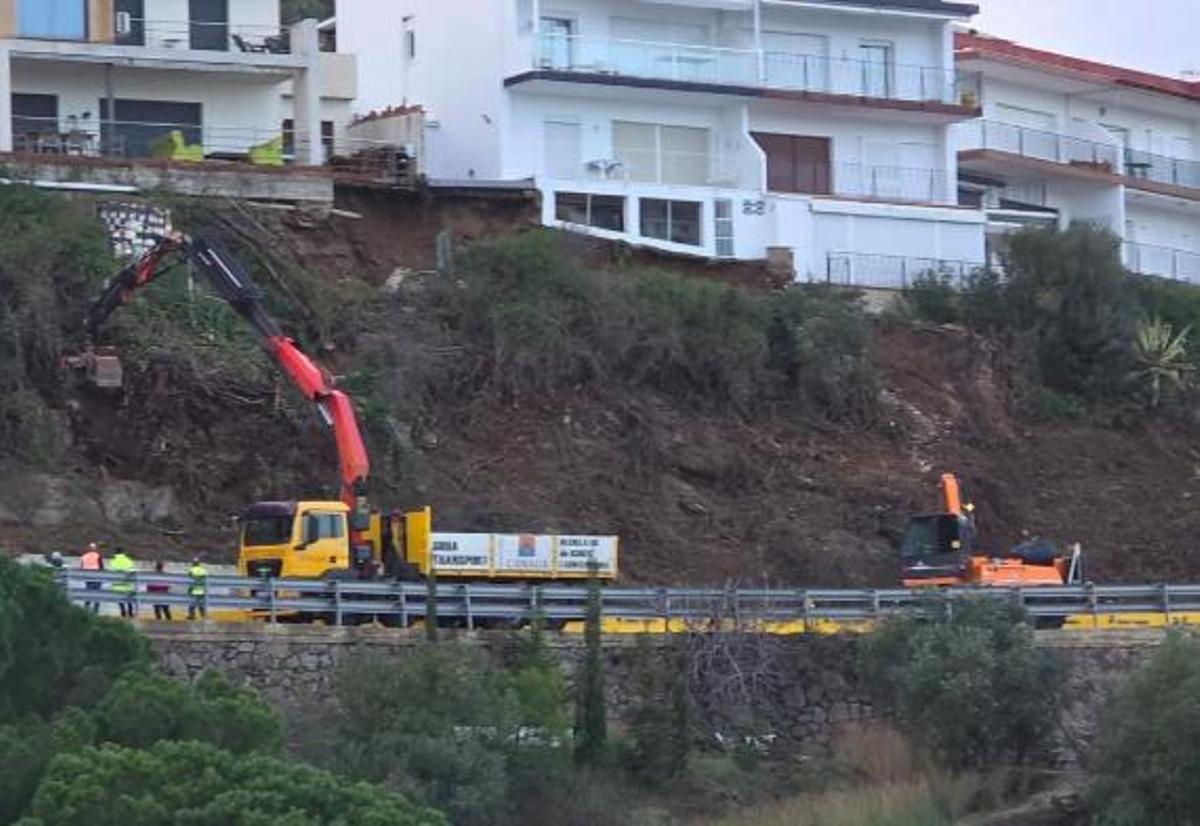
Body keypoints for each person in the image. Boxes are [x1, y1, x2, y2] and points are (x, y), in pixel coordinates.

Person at [108, 548, 137, 619]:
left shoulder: (112, 561)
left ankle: (123, 612)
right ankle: (130, 613)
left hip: (117, 585)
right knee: (129, 600)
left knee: (120, 599)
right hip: (127, 585)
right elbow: (133, 572)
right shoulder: (128, 561)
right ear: (123, 552)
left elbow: (110, 573)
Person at [80, 542, 103, 614]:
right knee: (97, 593)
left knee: (88, 592)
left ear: (88, 549)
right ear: (95, 549)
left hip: (87, 577)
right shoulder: (98, 556)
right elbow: (101, 567)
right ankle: (96, 610)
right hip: (97, 576)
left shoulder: (84, 556)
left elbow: (81, 567)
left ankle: (86, 608)